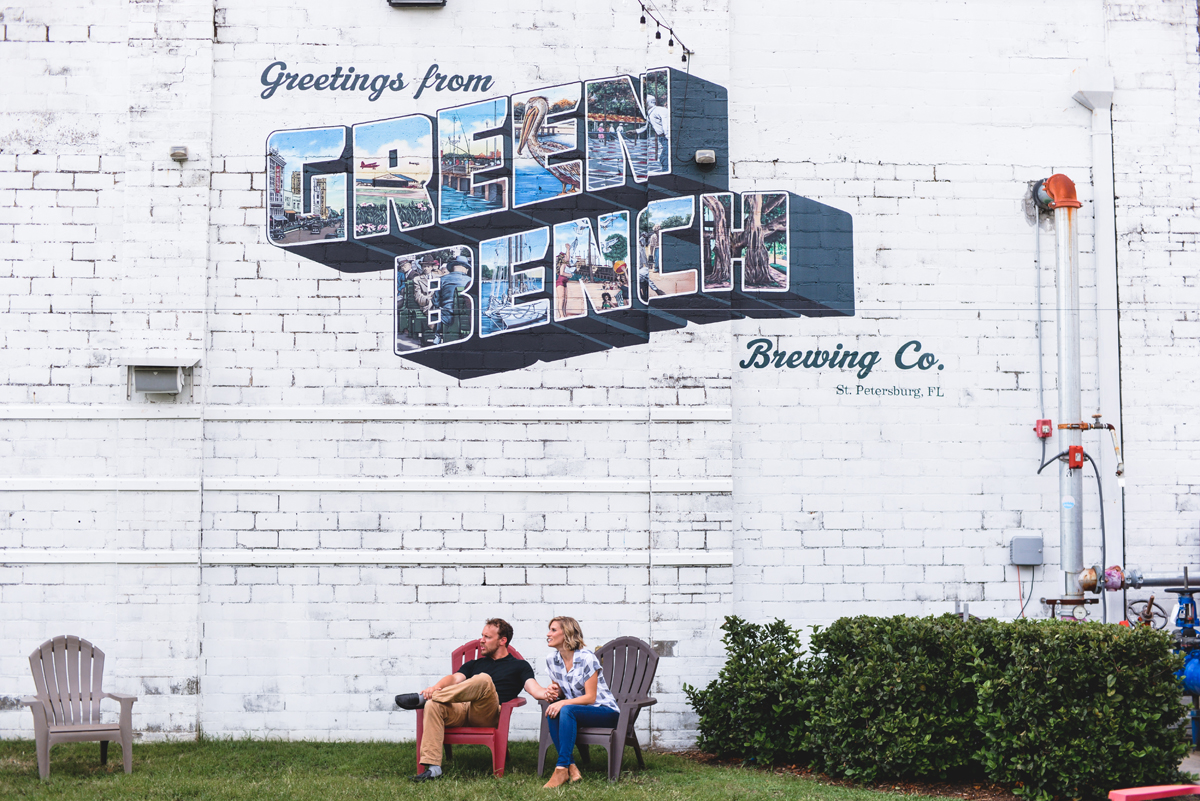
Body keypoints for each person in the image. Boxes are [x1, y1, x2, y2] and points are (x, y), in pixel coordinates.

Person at [395, 618, 558, 782]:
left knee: (484, 680)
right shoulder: (474, 664)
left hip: (488, 713)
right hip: (461, 709)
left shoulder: (519, 666)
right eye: (482, 636)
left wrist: (546, 693)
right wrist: (434, 688)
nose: (481, 640)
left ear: (502, 641)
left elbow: (533, 688)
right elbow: (453, 679)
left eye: (487, 637)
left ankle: (420, 699)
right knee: (432, 704)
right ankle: (434, 768)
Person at [541, 616, 620, 788]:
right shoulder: (552, 660)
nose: (548, 634)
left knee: (565, 709)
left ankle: (561, 768)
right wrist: (555, 691)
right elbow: (561, 689)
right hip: (579, 711)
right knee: (552, 712)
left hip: (604, 711)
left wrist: (562, 703)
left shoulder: (586, 658)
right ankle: (571, 767)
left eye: (553, 630)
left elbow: (590, 697)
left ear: (567, 633)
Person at [432, 254, 471, 344]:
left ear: (453, 267)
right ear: (464, 268)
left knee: (434, 311)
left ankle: (437, 335)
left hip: (447, 315)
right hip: (467, 316)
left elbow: (435, 301)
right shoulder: (471, 281)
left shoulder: (441, 280)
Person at [634, 94, 669, 173]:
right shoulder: (650, 113)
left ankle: (666, 173)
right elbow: (646, 126)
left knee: (665, 157)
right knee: (665, 157)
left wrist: (668, 137)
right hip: (662, 138)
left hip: (666, 138)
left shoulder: (659, 110)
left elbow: (666, 124)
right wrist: (635, 131)